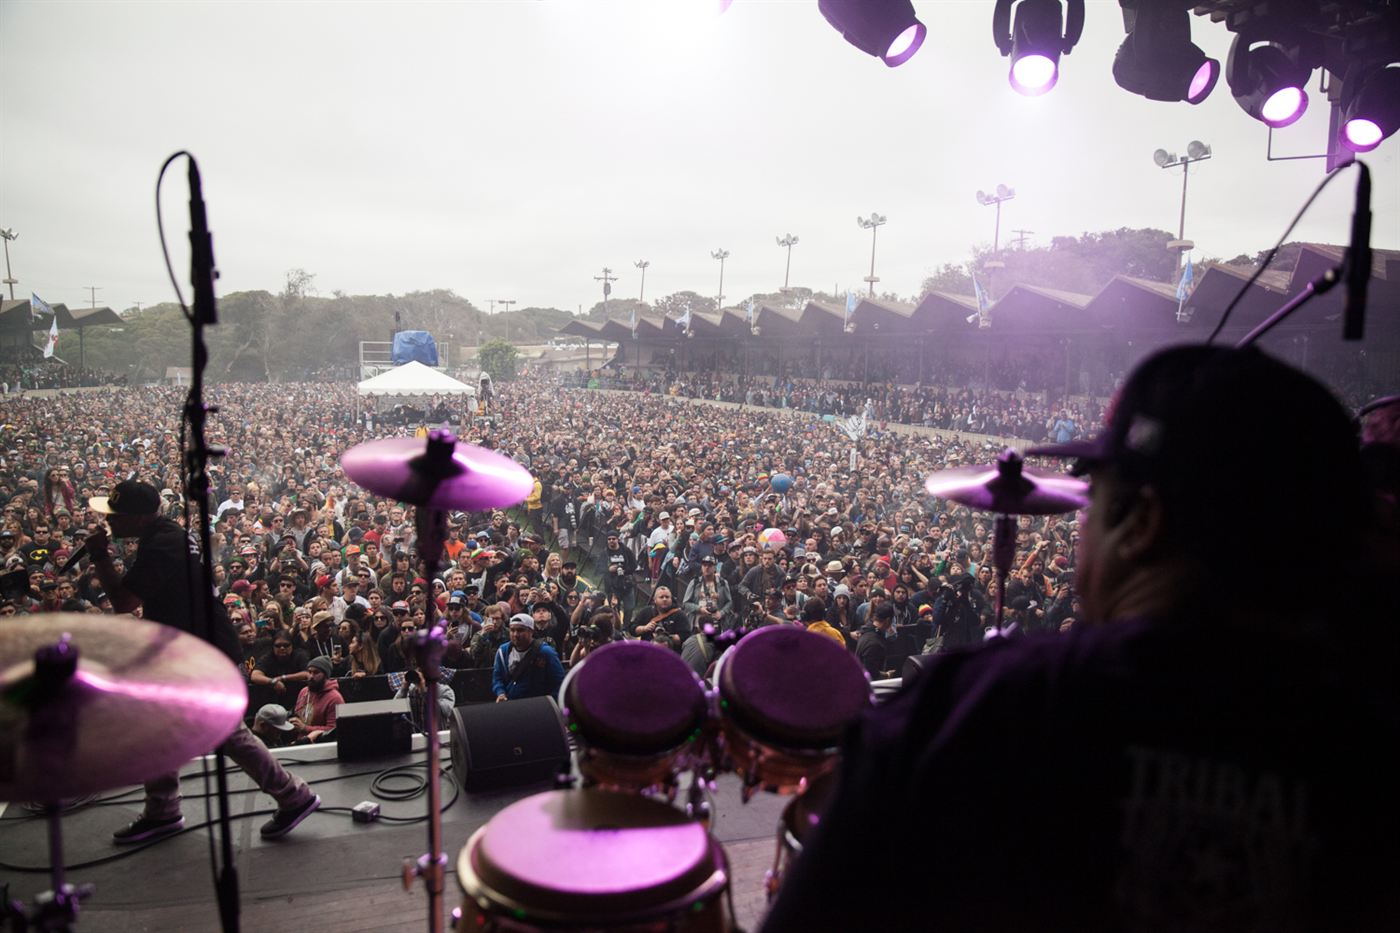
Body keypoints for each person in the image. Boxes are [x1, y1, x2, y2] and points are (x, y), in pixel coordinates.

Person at [763, 346, 1399, 932]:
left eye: (1088, 506)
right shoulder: (1371, 753)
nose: (1075, 535)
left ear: (1139, 523)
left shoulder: (980, 709)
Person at [86, 480, 320, 844]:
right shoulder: (164, 536)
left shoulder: (162, 544)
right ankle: (163, 809)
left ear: (138, 517)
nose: (109, 521)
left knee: (225, 731)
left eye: (116, 515)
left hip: (201, 651)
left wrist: (100, 555)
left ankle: (293, 795)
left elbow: (123, 602)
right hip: (189, 649)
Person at [491, 613, 564, 702]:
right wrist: (500, 692)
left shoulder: (545, 652)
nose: (515, 634)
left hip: (536, 706)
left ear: (531, 631)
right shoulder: (503, 651)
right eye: (512, 630)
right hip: (510, 704)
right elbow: (497, 677)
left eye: (520, 630)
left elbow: (559, 682)